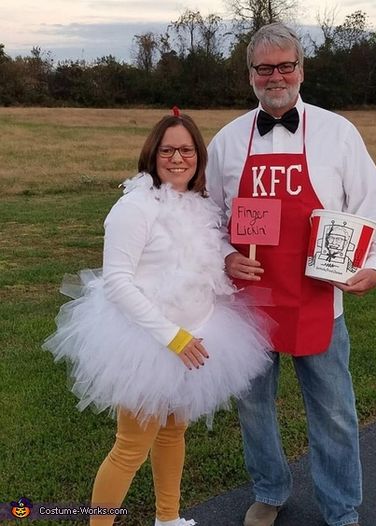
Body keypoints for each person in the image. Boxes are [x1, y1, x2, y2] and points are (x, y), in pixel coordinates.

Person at [206, 23, 376, 526]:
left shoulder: (338, 133)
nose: (276, 76)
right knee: (254, 408)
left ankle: (341, 508)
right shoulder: (227, 142)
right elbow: (206, 220)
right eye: (265, 68)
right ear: (250, 75)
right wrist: (226, 255)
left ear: (301, 69)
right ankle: (269, 490)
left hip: (319, 301)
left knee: (333, 412)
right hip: (248, 305)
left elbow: (371, 206)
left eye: (285, 65)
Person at [43, 111, 272, 526]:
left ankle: (168, 519)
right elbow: (117, 281)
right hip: (148, 341)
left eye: (187, 149)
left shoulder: (196, 202)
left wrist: (229, 257)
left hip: (196, 331)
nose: (178, 158)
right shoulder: (134, 207)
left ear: (198, 157)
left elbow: (204, 242)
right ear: (153, 154)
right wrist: (172, 337)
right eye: (168, 150)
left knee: (172, 433)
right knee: (131, 447)